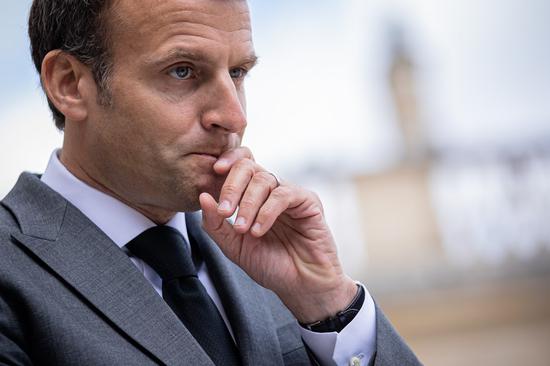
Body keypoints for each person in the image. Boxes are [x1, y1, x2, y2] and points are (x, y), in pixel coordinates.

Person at [0, 0, 420, 365]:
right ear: (69, 84)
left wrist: (330, 308)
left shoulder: (273, 269)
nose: (235, 115)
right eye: (182, 71)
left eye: (237, 72)